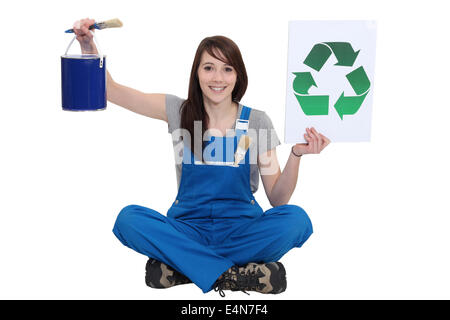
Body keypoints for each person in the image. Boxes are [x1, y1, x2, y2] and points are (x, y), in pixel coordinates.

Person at [72, 18, 330, 296]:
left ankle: (186, 268)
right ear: (197, 73)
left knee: (297, 220)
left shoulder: (257, 122)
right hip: (186, 230)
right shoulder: (177, 110)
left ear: (238, 75)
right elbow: (111, 90)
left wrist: (296, 154)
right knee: (128, 220)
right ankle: (234, 275)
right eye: (209, 68)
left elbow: (278, 199)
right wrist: (88, 44)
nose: (217, 78)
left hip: (242, 231)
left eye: (227, 69)